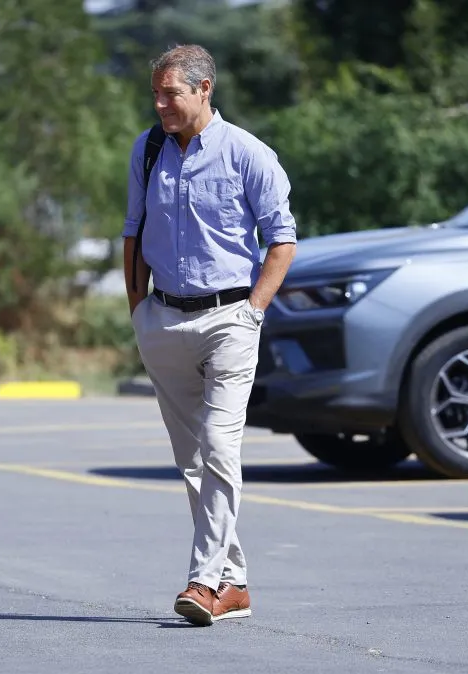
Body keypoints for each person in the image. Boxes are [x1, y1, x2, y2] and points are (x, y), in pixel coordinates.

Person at [122, 44, 298, 626]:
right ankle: (235, 583)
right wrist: (138, 314)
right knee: (192, 460)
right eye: (156, 92)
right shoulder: (147, 151)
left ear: (203, 91)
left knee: (220, 448)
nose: (159, 103)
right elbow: (132, 234)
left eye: (170, 92)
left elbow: (282, 239)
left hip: (229, 320)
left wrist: (254, 311)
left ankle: (202, 581)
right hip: (164, 319)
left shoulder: (250, 154)